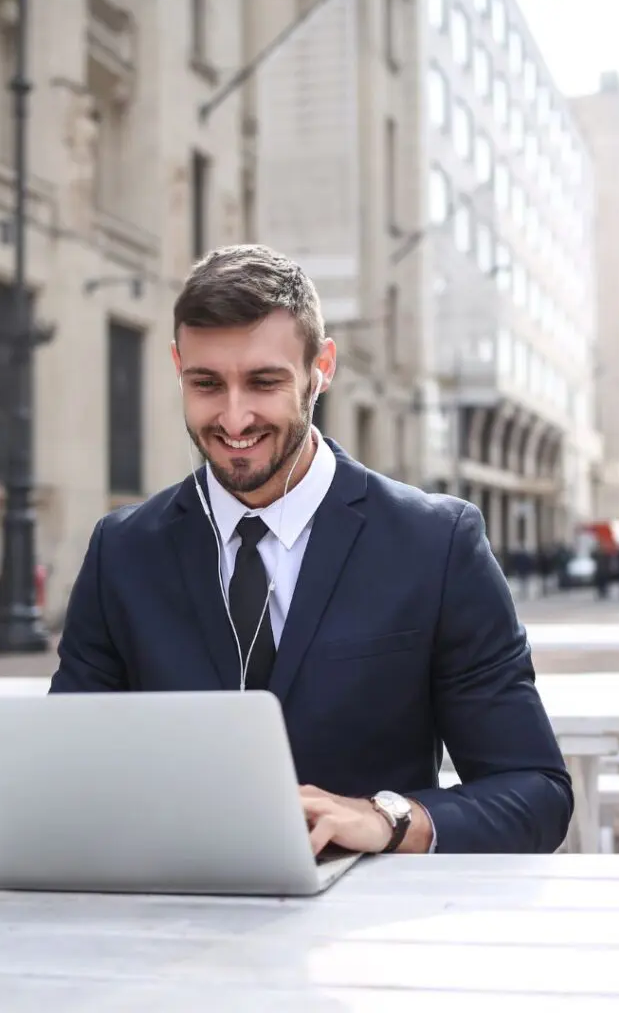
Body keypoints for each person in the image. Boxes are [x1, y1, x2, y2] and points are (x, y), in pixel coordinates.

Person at [51, 244, 573, 855]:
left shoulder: (436, 545)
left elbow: (535, 791)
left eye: (264, 382)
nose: (235, 417)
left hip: (366, 925)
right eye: (207, 384)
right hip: (173, 911)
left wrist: (388, 820)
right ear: (177, 367)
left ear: (321, 367)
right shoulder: (123, 550)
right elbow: (69, 769)